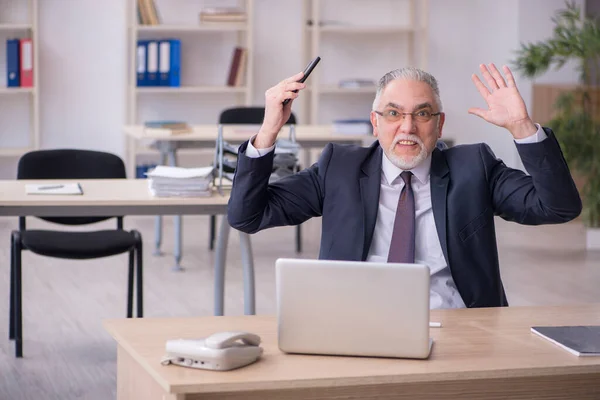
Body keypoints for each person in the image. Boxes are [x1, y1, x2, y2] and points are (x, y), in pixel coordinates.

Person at [227, 63, 582, 308]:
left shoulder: (474, 166)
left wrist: (522, 126)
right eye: (393, 113)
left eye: (422, 114)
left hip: (458, 324)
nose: (407, 127)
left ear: (439, 125)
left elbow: (558, 207)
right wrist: (268, 130)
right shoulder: (340, 168)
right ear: (375, 123)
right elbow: (248, 216)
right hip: (358, 324)